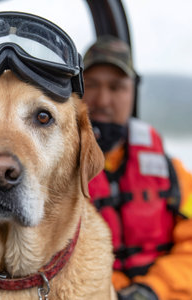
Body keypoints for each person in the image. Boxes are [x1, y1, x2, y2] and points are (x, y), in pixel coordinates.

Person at [83, 35, 192, 300]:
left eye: (117, 87)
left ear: (133, 91)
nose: (103, 100)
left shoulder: (170, 170)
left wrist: (152, 290)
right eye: (92, 85)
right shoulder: (50, 172)